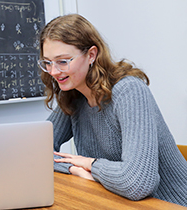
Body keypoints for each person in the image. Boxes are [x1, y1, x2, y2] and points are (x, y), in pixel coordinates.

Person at [38, 14, 187, 206]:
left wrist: (91, 164)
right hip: (116, 201)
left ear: (91, 55)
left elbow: (139, 183)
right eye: (47, 62)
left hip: (169, 204)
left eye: (63, 61)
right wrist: (74, 168)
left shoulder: (129, 91)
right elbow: (36, 151)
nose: (53, 72)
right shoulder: (74, 96)